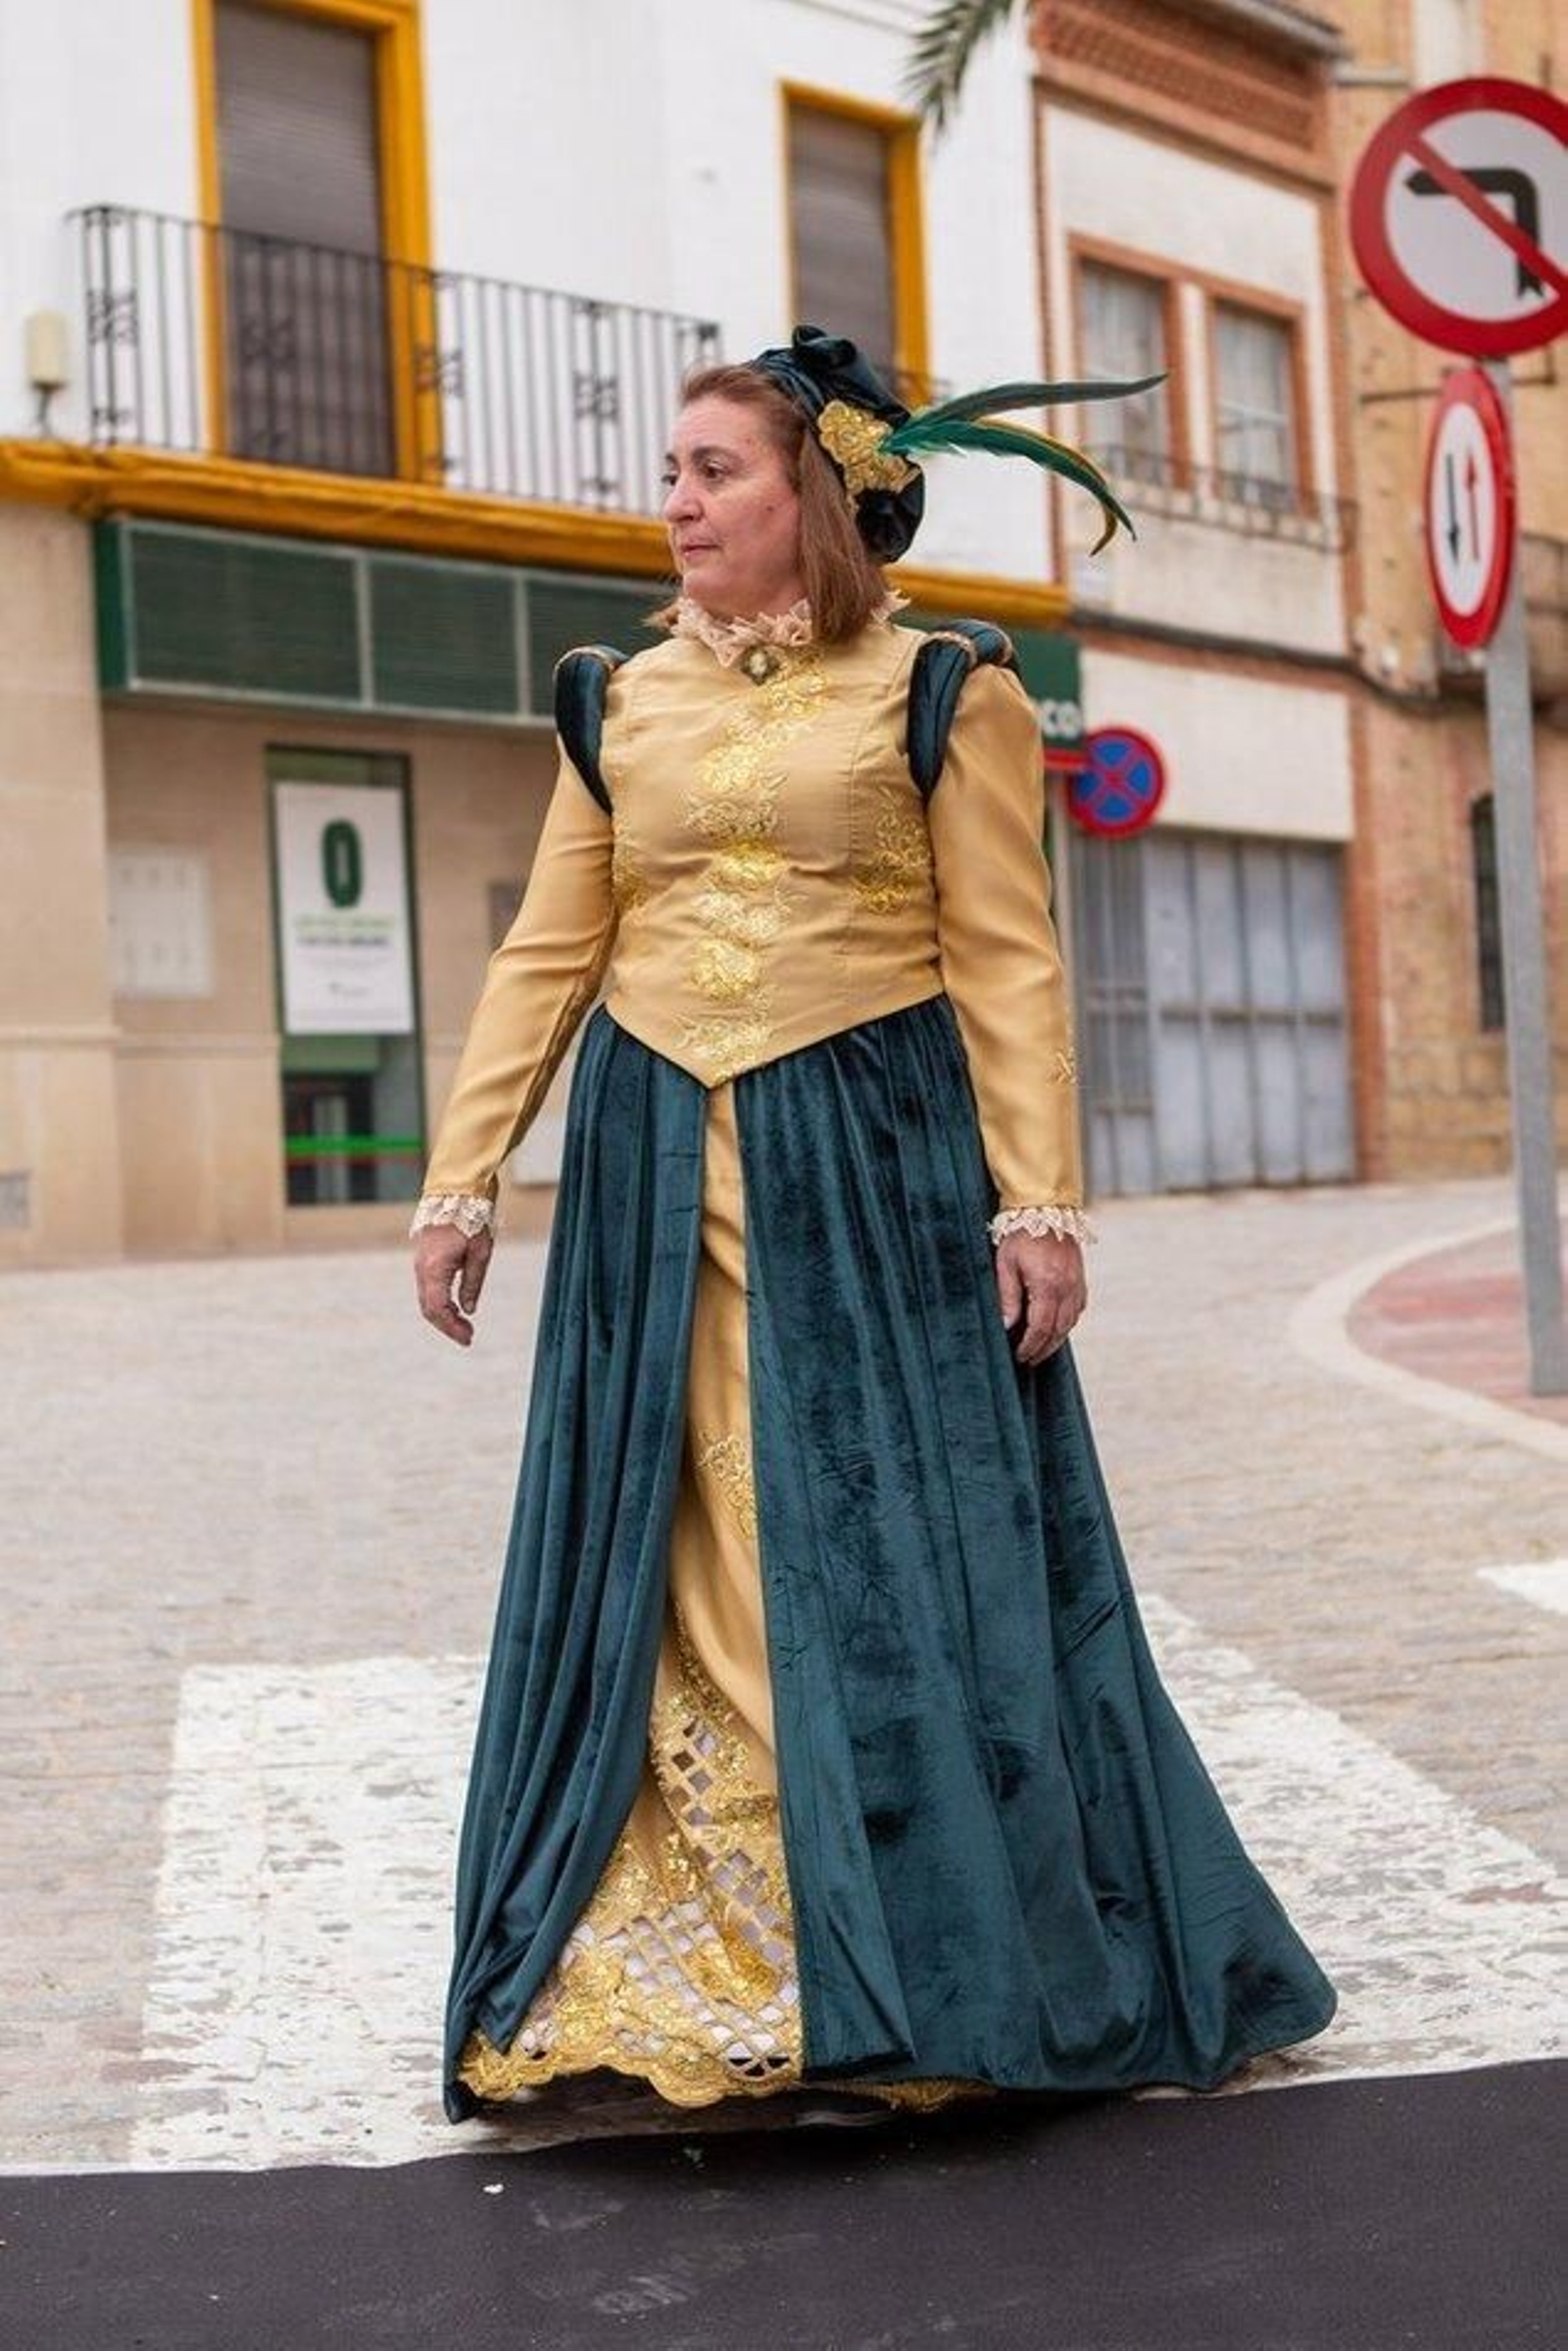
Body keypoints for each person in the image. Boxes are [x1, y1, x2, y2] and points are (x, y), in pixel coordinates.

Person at [411, 324, 1339, 2125]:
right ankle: (689, 1922)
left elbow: (1007, 955)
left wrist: (1040, 1201)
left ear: (813, 496)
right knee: (668, 1528)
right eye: (672, 472)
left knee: (878, 1538)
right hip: (652, 1166)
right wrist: (466, 1175)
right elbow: (552, 948)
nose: (674, 500)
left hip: (874, 1164)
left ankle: (912, 1944)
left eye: (713, 471)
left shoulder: (946, 688)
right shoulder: (616, 696)